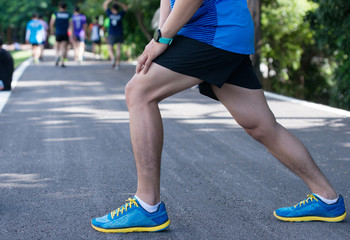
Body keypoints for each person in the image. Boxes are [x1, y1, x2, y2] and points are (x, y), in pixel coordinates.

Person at [91, 0, 347, 233]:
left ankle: (147, 205)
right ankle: (327, 199)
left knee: (138, 92)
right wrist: (161, 35)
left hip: (212, 32)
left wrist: (161, 39)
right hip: (224, 31)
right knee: (261, 125)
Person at [103, 0, 128, 70]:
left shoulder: (110, 14)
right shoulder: (120, 14)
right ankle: (117, 65)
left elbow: (105, 5)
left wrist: (110, 1)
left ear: (112, 9)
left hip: (111, 34)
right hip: (119, 33)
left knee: (109, 48)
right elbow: (125, 8)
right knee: (118, 48)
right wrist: (119, 3)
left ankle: (113, 58)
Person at [50, 2, 72, 67]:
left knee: (57, 46)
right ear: (66, 7)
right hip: (65, 33)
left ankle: (57, 56)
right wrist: (70, 33)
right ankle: (62, 61)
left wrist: (52, 31)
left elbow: (51, 23)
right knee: (64, 47)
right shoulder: (68, 15)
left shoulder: (55, 14)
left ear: (59, 7)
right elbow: (71, 25)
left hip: (58, 32)